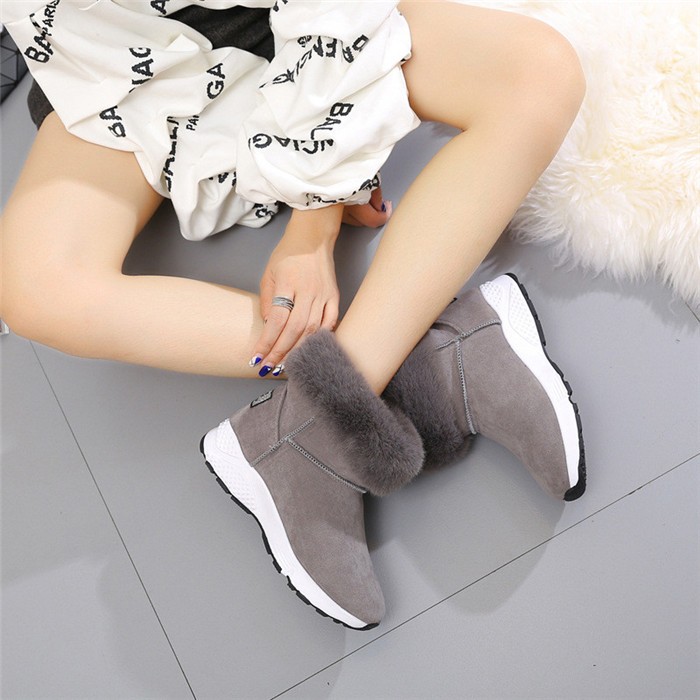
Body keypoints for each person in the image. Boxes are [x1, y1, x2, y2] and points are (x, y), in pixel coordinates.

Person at [1, 1, 586, 629]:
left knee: (537, 71)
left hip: (302, 26)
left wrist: (315, 216)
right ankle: (432, 356)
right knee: (36, 289)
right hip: (114, 53)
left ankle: (300, 436)